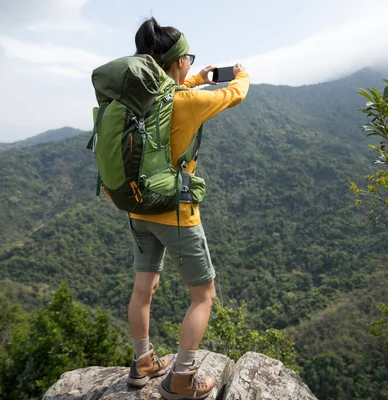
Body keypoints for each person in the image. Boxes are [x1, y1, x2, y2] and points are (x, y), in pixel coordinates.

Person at [125, 17, 250, 400]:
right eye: (188, 59)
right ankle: (181, 378)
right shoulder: (188, 103)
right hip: (175, 214)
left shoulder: (137, 98)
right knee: (203, 296)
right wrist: (241, 75)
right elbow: (235, 95)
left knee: (144, 287)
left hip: (138, 207)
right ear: (177, 61)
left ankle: (142, 360)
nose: (190, 66)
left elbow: (174, 95)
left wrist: (198, 78)